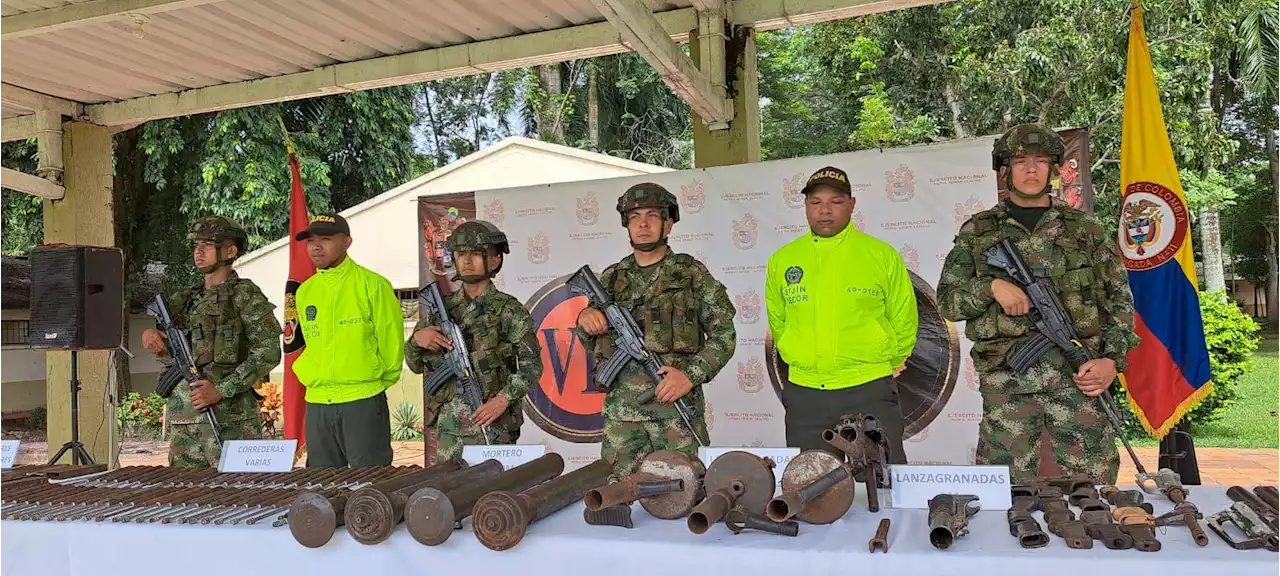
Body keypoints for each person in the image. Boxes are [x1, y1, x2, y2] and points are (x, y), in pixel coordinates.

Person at [937, 124, 1139, 484]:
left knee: (1093, 489)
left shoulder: (1085, 230)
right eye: (1020, 162)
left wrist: (1112, 360)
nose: (1031, 170)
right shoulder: (978, 232)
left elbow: (1119, 302)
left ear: (1055, 169)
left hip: (1080, 379)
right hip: (1008, 386)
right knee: (1004, 493)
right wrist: (991, 287)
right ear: (1005, 170)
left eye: (1041, 161)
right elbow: (948, 303)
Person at [577, 183, 737, 478]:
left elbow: (724, 335)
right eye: (635, 216)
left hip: (675, 411)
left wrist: (690, 375)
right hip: (622, 418)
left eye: (653, 215)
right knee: (616, 495)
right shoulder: (612, 278)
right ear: (626, 224)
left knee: (685, 494)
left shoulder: (691, 274)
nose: (643, 223)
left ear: (669, 223)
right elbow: (592, 340)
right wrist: (586, 318)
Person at [764, 166, 918, 466]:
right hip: (805, 394)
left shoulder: (881, 255)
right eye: (815, 202)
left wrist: (882, 363)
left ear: (852, 204)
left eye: (835, 201)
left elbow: (904, 318)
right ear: (806, 206)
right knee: (811, 486)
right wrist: (799, 356)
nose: (825, 211)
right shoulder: (783, 260)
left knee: (885, 482)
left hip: (868, 388)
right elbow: (779, 321)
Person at [141, 216, 282, 468]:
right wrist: (153, 339)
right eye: (196, 245)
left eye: (208, 244)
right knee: (186, 499)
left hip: (231, 423)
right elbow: (171, 349)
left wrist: (222, 389)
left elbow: (269, 352)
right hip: (185, 423)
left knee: (242, 496)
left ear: (230, 250)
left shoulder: (244, 295)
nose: (199, 251)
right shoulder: (184, 300)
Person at [405, 221, 542, 463]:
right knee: (449, 494)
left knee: (492, 494)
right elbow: (415, 365)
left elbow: (532, 366)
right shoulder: (440, 309)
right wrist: (417, 341)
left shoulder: (508, 309)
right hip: (450, 429)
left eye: (476, 254)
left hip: (494, 426)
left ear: (495, 260)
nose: (467, 261)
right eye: (461, 254)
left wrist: (503, 399)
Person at [292, 213, 404, 468]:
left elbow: (392, 343)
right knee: (322, 486)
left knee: (370, 483)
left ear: (347, 242)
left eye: (326, 239)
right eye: (310, 241)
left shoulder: (373, 285)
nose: (316, 247)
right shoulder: (305, 291)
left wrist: (370, 382)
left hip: (361, 400)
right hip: (318, 401)